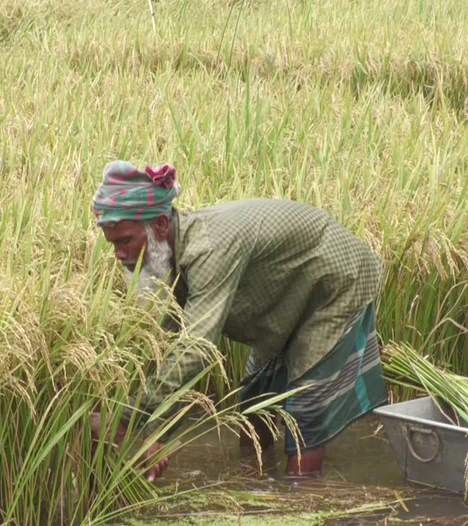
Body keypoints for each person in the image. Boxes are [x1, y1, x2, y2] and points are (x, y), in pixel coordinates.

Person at [88, 160, 387, 479]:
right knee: (255, 397)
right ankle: (252, 480)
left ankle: (302, 495)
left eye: (125, 241)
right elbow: (171, 349)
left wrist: (128, 421)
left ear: (160, 225)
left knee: (305, 406)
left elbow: (196, 348)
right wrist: (154, 431)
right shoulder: (166, 259)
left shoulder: (208, 249)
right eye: (113, 244)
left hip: (335, 283)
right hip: (285, 297)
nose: (119, 254)